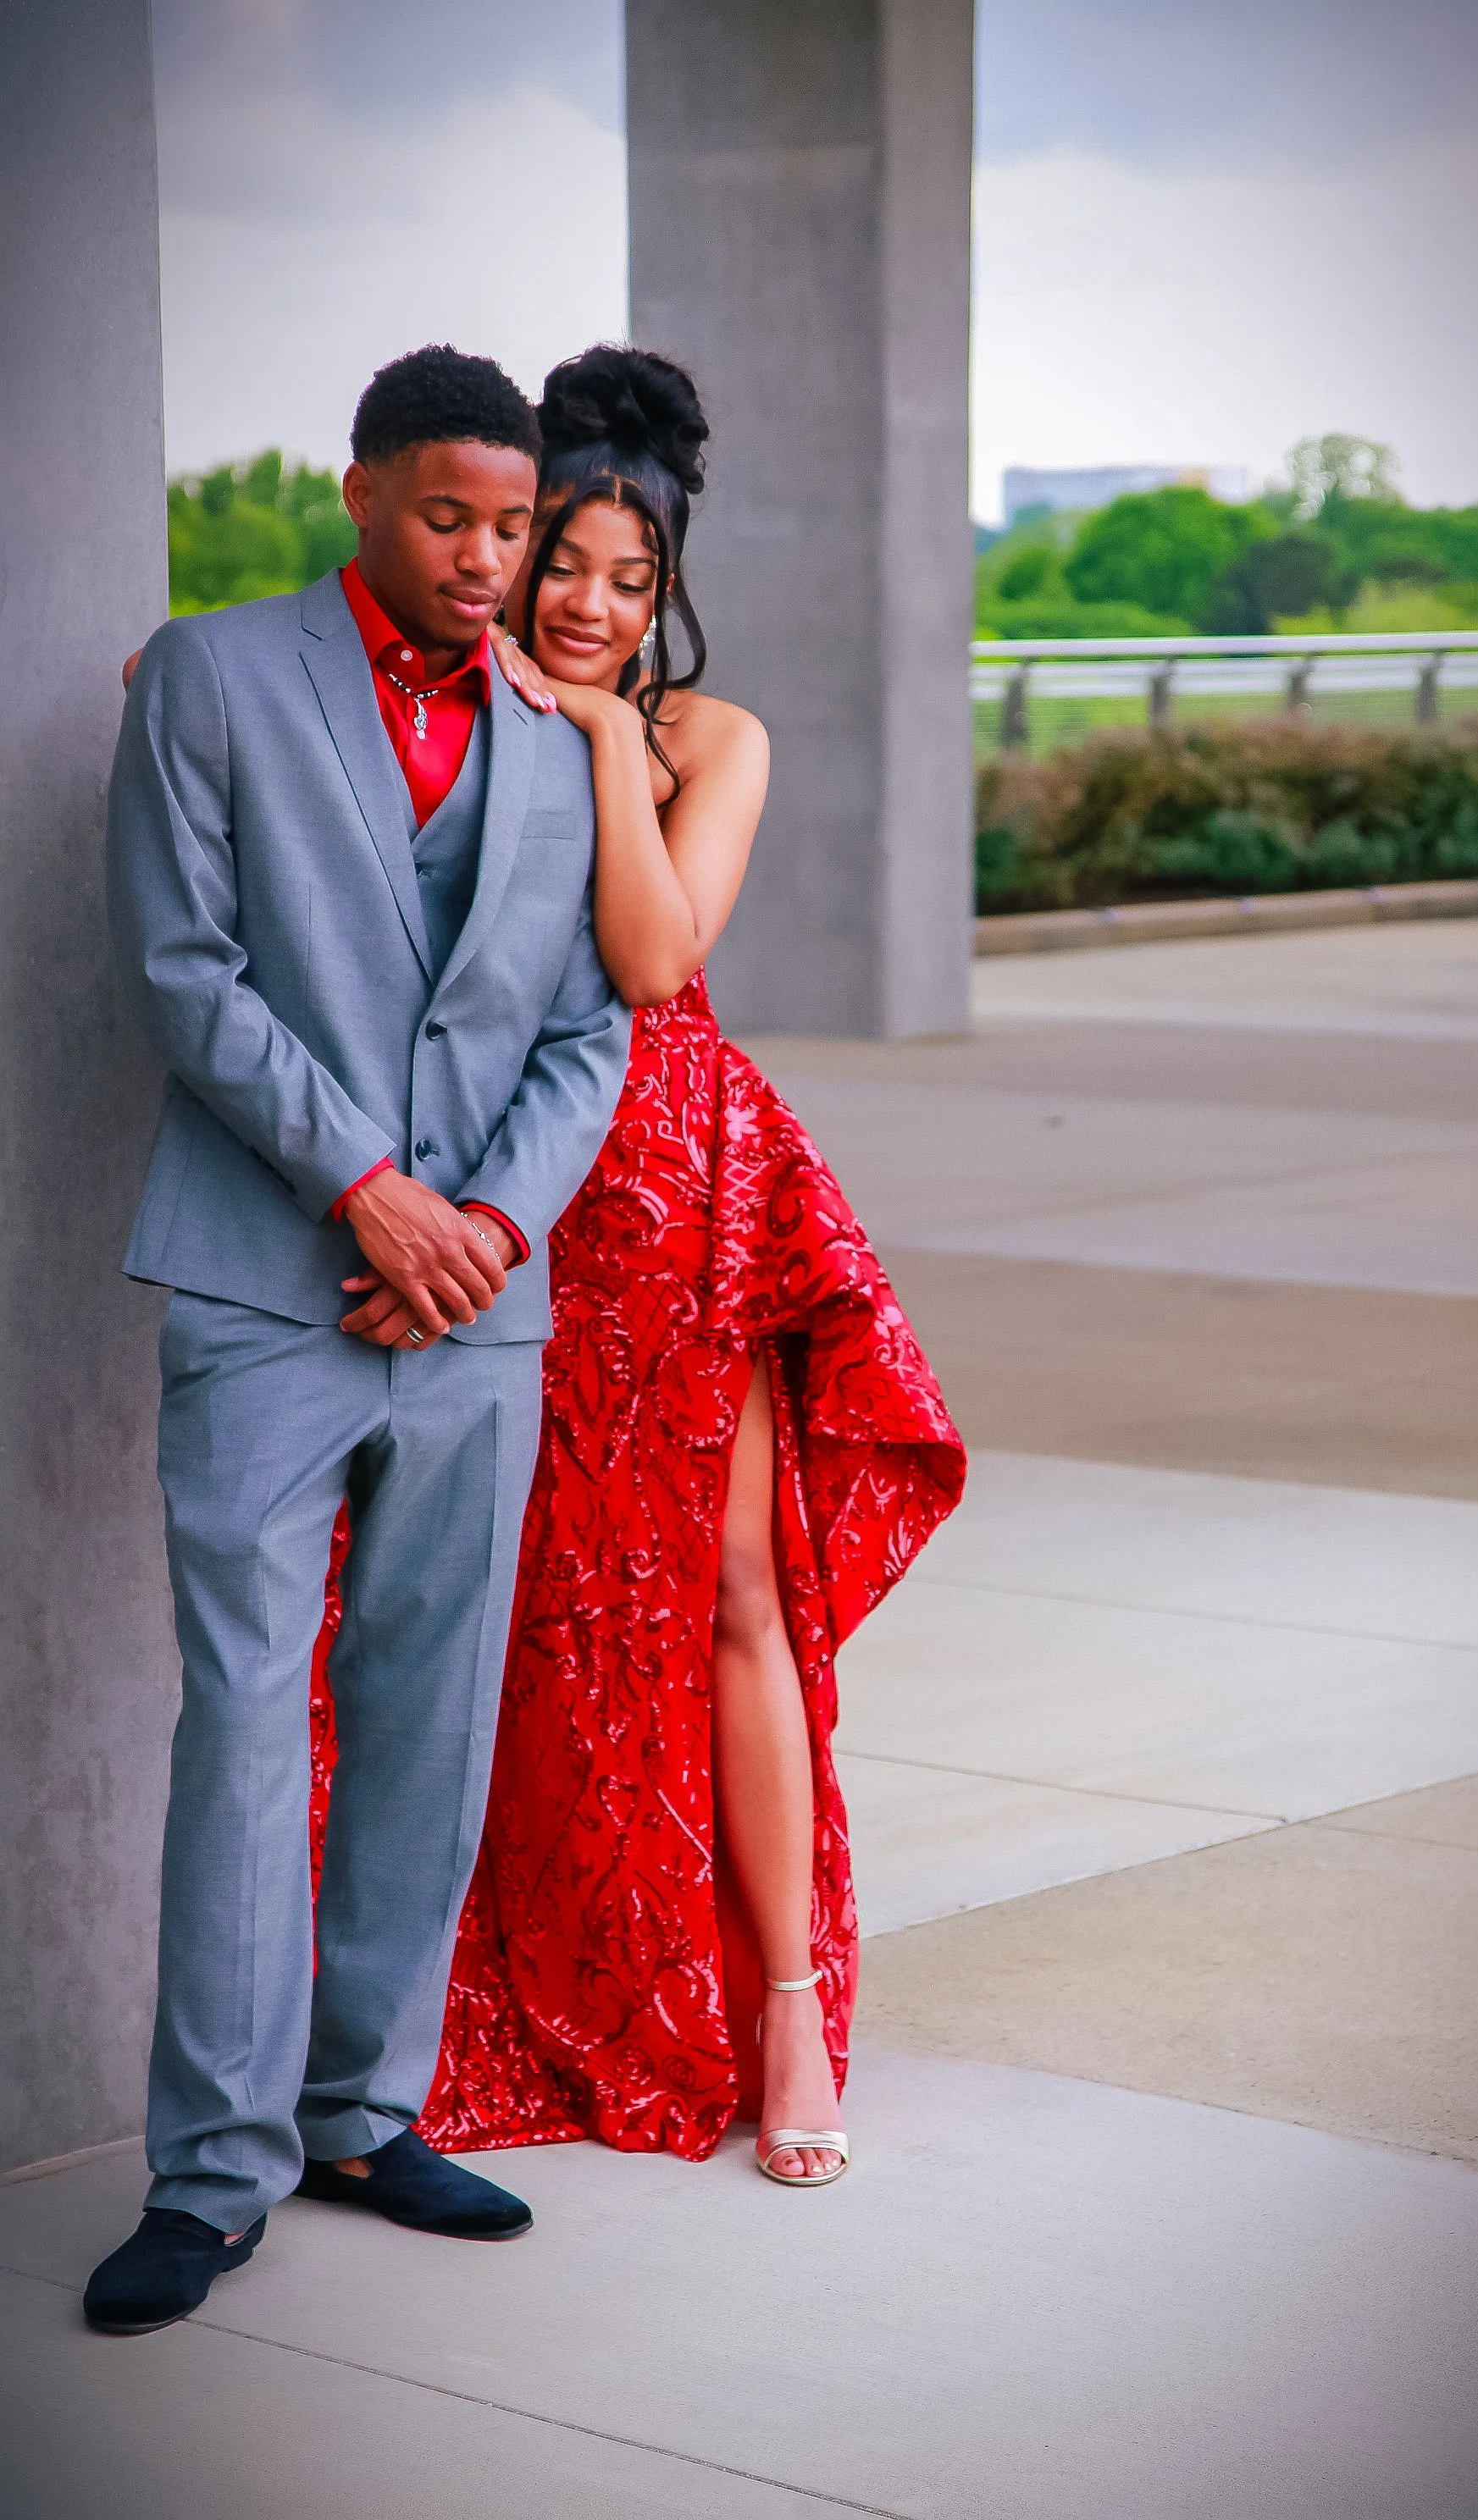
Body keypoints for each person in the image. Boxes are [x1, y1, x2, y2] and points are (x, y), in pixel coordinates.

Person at [311, 346, 966, 2186]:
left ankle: (779, 2010)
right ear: (507, 551)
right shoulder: (436, 702)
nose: (593, 605)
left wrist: (601, 733)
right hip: (492, 1191)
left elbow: (661, 959)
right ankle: (473, 1995)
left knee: (738, 1592)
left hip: (675, 1193)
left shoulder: (705, 737)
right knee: (500, 1616)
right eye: (564, 564)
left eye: (633, 578)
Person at [84, 346, 633, 2337]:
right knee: (243, 1716)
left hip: (480, 1303)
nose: (488, 560)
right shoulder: (213, 678)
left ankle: (360, 2111)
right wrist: (366, 1190)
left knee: (431, 1704)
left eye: (512, 525)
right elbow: (178, 962)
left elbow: (593, 1023)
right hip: (264, 1282)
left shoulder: (565, 737)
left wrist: (479, 1226)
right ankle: (206, 2172)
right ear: (358, 497)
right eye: (447, 518)